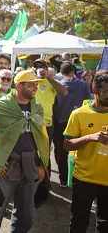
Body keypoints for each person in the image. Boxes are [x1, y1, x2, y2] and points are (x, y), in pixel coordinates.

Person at [0, 70, 50, 232]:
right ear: (19, 85)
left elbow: (42, 138)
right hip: (7, 166)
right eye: (31, 85)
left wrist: (41, 165)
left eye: (36, 85)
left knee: (25, 216)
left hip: (30, 165)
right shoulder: (2, 105)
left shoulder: (37, 108)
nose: (35, 88)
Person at [63, 70, 108, 233]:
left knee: (105, 225)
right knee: (79, 223)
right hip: (84, 179)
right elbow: (67, 145)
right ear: (95, 90)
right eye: (106, 92)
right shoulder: (79, 114)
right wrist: (90, 138)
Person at [53, 62, 92, 188]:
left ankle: (64, 179)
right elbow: (87, 103)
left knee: (62, 151)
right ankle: (79, 178)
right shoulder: (84, 85)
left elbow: (54, 106)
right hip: (80, 121)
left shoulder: (58, 86)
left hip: (61, 122)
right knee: (81, 150)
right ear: (73, 72)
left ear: (61, 72)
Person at [31, 61, 68, 170]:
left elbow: (64, 92)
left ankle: (45, 182)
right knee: (32, 152)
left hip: (46, 124)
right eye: (37, 67)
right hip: (31, 122)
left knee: (45, 153)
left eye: (42, 67)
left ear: (46, 69)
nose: (39, 69)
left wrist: (49, 78)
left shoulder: (51, 82)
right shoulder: (30, 81)